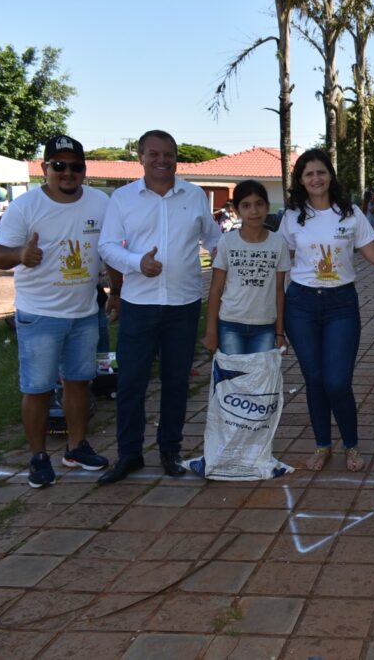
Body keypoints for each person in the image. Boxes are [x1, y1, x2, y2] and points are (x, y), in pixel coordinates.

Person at [0, 135, 118, 487]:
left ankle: (76, 448)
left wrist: (116, 293)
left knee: (79, 383)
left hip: (84, 311)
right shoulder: (26, 207)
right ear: (45, 168)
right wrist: (20, 256)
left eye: (76, 166)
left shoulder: (99, 202)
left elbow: (110, 251)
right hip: (40, 314)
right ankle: (38, 457)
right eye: (59, 165)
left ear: (84, 170)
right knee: (39, 388)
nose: (67, 172)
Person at [96, 130, 221, 484]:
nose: (162, 160)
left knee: (176, 382)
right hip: (139, 305)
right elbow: (107, 247)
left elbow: (214, 240)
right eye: (154, 154)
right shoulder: (122, 199)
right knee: (132, 381)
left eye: (169, 154)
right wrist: (137, 262)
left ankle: (170, 450)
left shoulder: (195, 196)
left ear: (176, 158)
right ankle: (130, 455)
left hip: (183, 305)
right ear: (141, 157)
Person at [281, 149, 374, 472]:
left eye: (320, 172)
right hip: (300, 304)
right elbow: (278, 261)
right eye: (308, 174)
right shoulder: (291, 217)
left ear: (330, 175)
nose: (315, 179)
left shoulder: (350, 213)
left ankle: (352, 445)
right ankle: (322, 446)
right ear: (300, 181)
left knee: (337, 381)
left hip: (341, 305)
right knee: (314, 378)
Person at [202, 180, 290, 356]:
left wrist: (279, 332)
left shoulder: (278, 243)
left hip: (265, 326)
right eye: (246, 205)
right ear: (236, 210)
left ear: (267, 207)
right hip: (230, 324)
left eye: (259, 204)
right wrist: (211, 331)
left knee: (259, 379)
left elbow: (280, 291)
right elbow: (216, 289)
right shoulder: (227, 241)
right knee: (234, 378)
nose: (254, 211)